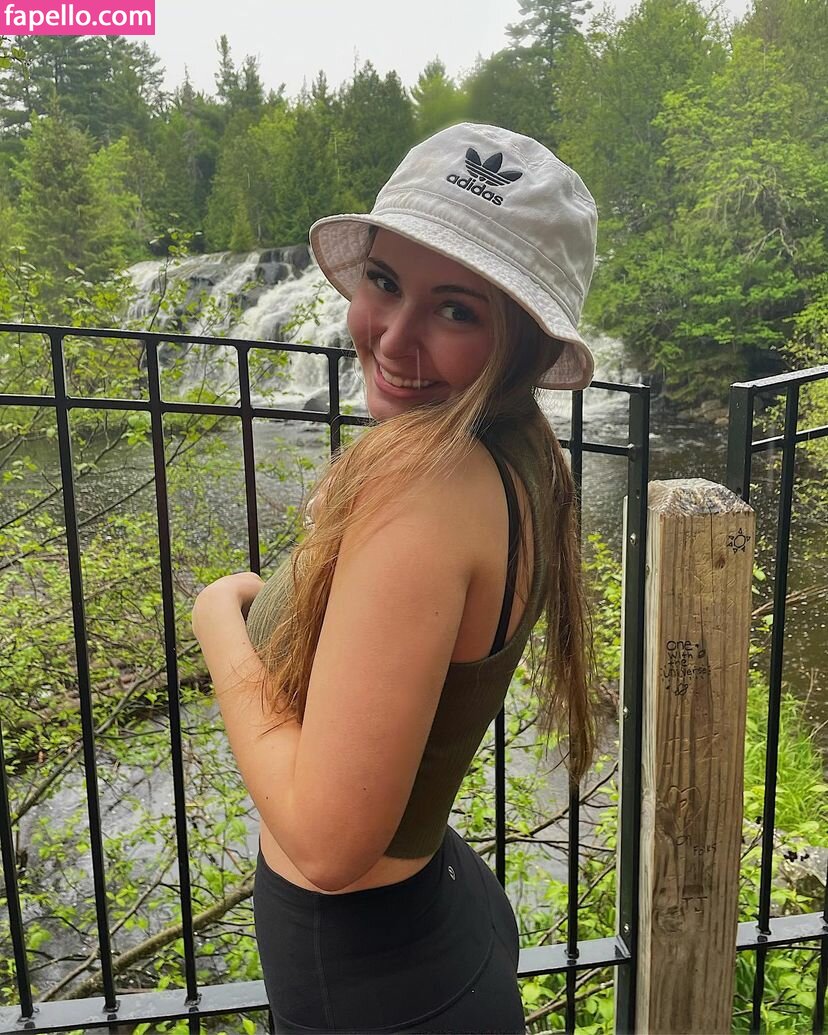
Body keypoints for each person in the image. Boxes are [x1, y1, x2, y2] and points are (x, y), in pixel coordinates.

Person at [191, 122, 598, 1033]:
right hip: (433, 931)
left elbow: (329, 843)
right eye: (384, 282)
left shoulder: (424, 488)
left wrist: (218, 615)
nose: (395, 338)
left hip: (378, 990)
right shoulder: (519, 454)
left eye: (457, 312)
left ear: (527, 344)